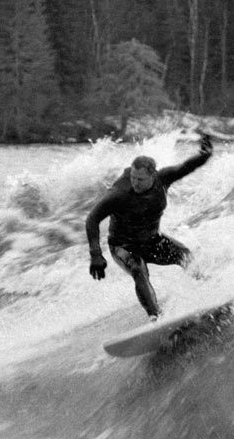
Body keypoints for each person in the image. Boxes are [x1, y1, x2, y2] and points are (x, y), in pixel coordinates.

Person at [85, 131, 214, 318]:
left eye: (140, 179)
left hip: (152, 241)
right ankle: (156, 317)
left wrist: (205, 155)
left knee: (185, 256)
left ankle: (212, 292)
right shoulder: (119, 194)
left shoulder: (163, 179)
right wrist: (96, 254)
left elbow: (186, 167)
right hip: (123, 246)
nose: (135, 183)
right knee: (138, 269)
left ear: (153, 176)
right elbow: (92, 219)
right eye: (133, 178)